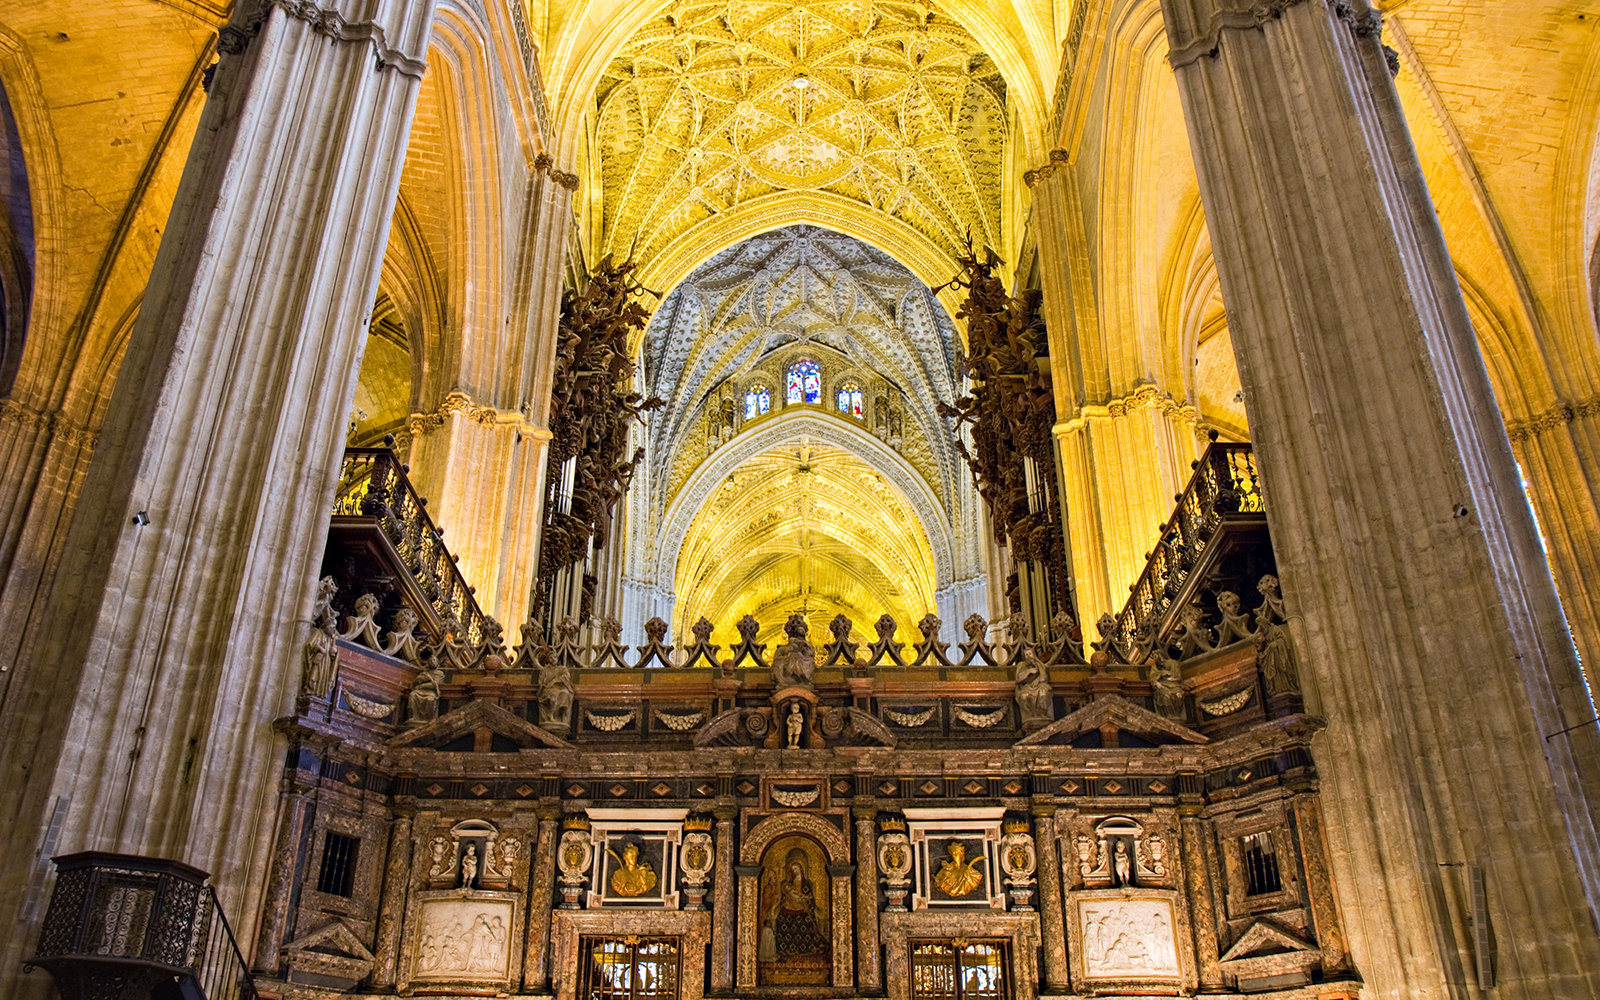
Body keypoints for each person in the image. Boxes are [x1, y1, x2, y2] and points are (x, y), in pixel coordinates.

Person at [766, 849, 828, 958]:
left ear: (801, 869)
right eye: (792, 869)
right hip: (788, 906)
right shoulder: (788, 883)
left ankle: (805, 949)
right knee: (781, 919)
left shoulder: (806, 883)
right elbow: (783, 896)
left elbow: (810, 899)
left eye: (796, 868)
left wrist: (804, 900)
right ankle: (786, 949)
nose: (794, 871)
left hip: (801, 908)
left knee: (805, 923)